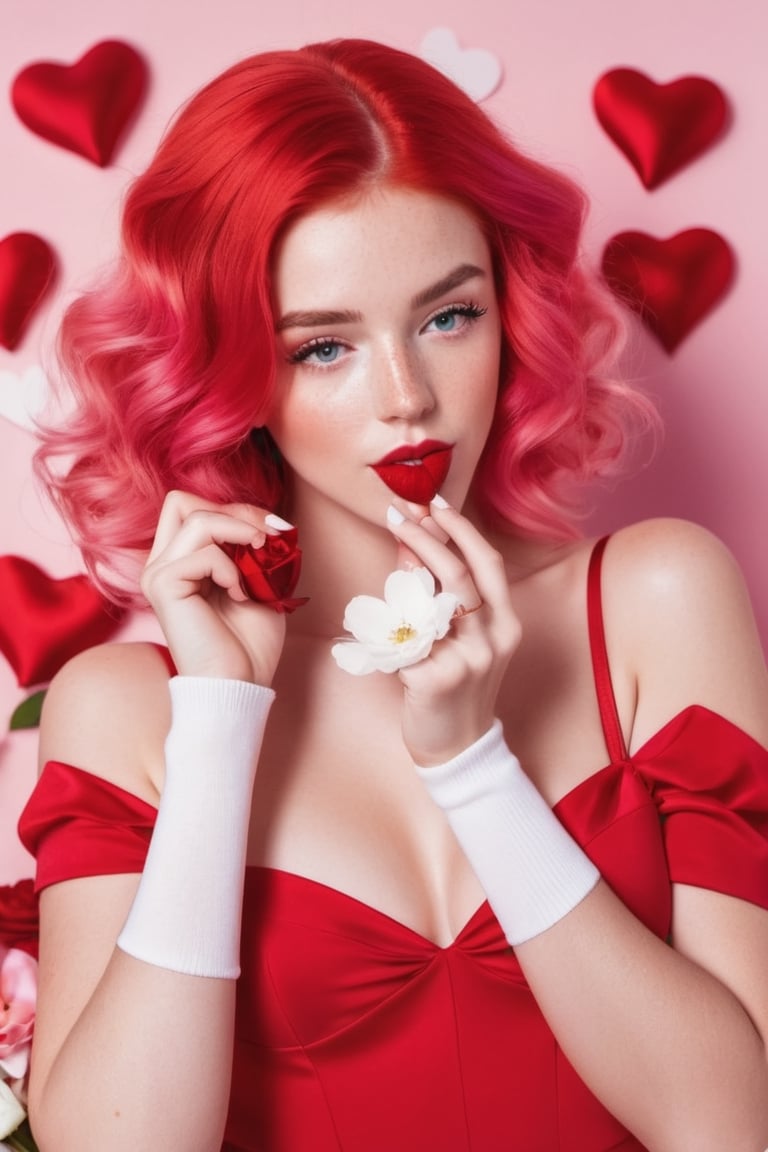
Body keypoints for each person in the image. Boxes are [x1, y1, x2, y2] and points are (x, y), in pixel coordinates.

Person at [16, 37, 768, 1152]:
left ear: (512, 314)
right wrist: (222, 726)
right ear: (232, 371)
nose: (409, 398)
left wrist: (474, 768)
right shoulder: (129, 708)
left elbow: (728, 1123)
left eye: (448, 316)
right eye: (323, 348)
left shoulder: (656, 600)